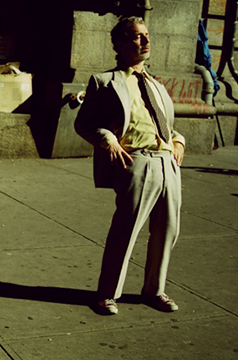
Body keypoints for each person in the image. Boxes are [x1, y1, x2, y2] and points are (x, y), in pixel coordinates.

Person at [75, 16, 186, 315]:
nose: (146, 41)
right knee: (125, 231)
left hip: (168, 164)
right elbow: (84, 122)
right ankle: (107, 294)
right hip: (138, 163)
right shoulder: (105, 81)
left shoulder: (157, 85)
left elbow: (167, 126)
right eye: (138, 37)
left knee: (167, 231)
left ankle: (155, 290)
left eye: (147, 35)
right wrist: (107, 139)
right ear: (120, 43)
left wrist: (179, 142)